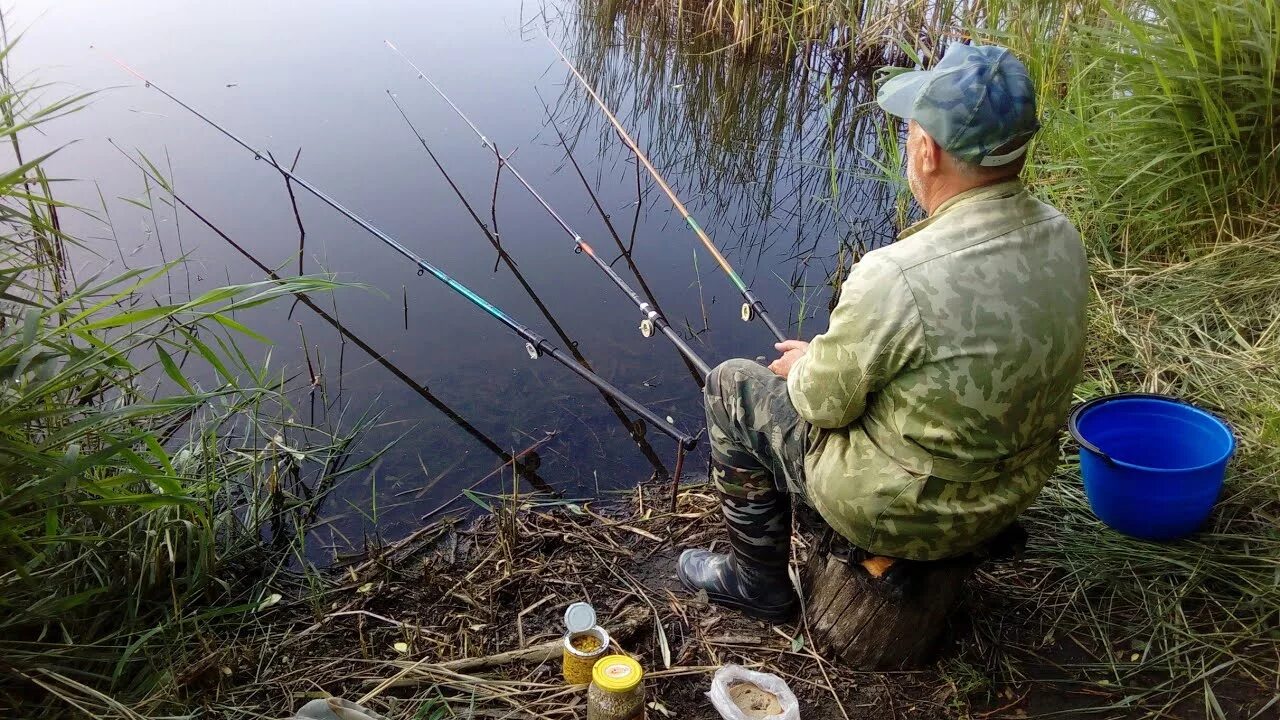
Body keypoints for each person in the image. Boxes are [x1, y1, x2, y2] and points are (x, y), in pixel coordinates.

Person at [677, 44, 1088, 621]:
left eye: (911, 131)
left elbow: (821, 405)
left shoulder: (896, 273)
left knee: (729, 387)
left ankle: (756, 582)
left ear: (927, 151)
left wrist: (807, 367)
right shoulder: (1064, 236)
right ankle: (963, 539)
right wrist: (824, 357)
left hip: (907, 514)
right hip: (1011, 495)